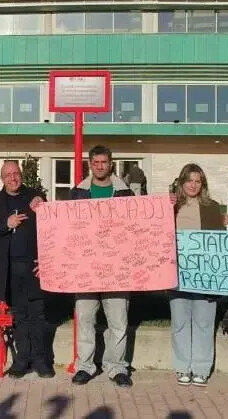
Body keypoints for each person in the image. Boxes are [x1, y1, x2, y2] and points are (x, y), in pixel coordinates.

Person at [0, 160, 53, 379]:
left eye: (16, 173)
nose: (13, 178)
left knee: (38, 315)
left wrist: (43, 205)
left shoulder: (35, 196)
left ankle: (41, 360)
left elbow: (52, 226)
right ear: (2, 179)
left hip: (34, 267)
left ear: (21, 175)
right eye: (8, 175)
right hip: (10, 270)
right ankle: (22, 360)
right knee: (19, 316)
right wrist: (6, 223)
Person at [69, 145, 134, 387]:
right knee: (85, 317)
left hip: (117, 269)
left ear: (111, 164)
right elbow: (66, 228)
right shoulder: (77, 193)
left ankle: (117, 367)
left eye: (104, 162)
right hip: (86, 267)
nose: (100, 166)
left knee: (118, 320)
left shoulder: (125, 193)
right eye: (95, 162)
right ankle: (85, 366)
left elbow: (135, 227)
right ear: (90, 164)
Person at [169, 164, 226, 387]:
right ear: (181, 182)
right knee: (180, 321)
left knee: (204, 321)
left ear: (203, 184)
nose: (193, 185)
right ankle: (182, 366)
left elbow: (221, 242)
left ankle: (201, 368)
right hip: (177, 272)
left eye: (198, 181)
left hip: (205, 274)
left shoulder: (212, 207)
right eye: (189, 180)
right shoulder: (171, 206)